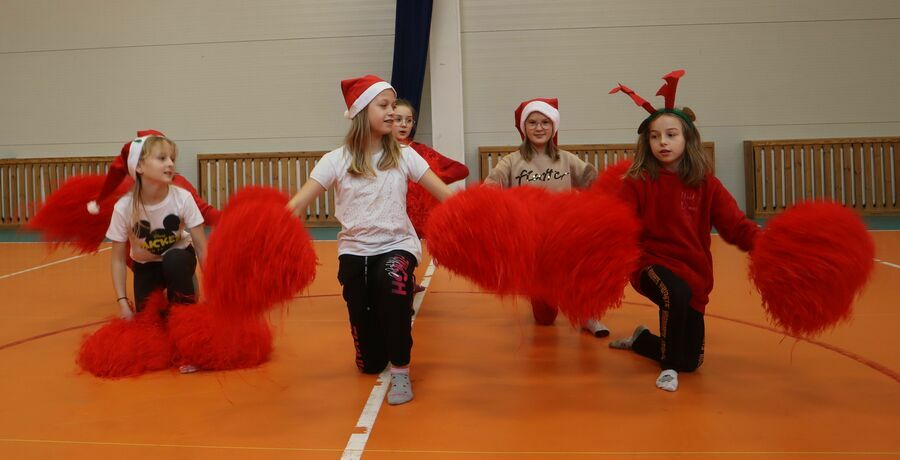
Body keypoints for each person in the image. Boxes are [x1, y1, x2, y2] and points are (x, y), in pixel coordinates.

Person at [287, 75, 453, 405]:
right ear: (363, 111)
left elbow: (446, 195)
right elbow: (298, 203)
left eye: (394, 105)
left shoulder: (405, 156)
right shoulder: (335, 160)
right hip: (354, 252)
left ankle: (403, 372)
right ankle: (380, 343)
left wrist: (482, 214)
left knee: (392, 281)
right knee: (370, 363)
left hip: (397, 246)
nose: (393, 112)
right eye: (385, 106)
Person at [607, 70, 759, 392]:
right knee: (674, 294)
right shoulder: (638, 182)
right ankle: (668, 367)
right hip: (649, 263)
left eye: (671, 135)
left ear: (687, 138)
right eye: (654, 136)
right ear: (646, 142)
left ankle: (642, 341)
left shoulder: (706, 184)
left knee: (693, 361)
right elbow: (617, 223)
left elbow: (735, 224)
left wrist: (766, 245)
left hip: (693, 271)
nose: (662, 142)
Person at [483, 97, 610, 337]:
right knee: (544, 318)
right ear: (524, 127)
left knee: (579, 271)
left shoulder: (566, 159)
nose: (539, 128)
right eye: (532, 122)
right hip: (533, 240)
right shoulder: (511, 161)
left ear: (554, 126)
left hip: (564, 234)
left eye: (545, 122)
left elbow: (594, 181)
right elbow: (492, 185)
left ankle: (587, 314)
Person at [98, 133, 207, 326]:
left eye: (172, 159)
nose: (171, 164)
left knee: (175, 260)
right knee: (150, 322)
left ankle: (184, 289)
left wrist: (215, 292)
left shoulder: (183, 198)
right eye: (162, 158)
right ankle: (166, 288)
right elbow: (117, 259)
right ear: (138, 167)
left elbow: (201, 248)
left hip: (180, 257)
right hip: (146, 266)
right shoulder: (123, 208)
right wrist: (123, 303)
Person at [392, 98, 469, 292]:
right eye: (398, 119)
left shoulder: (419, 151)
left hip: (414, 214)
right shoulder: (376, 150)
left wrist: (429, 180)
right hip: (389, 213)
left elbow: (460, 169)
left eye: (408, 120)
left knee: (408, 251)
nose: (404, 124)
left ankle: (405, 285)